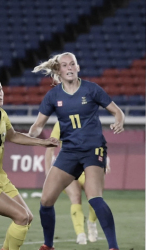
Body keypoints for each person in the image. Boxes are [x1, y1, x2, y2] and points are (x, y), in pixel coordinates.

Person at [29, 52, 125, 250]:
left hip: (93, 149)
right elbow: (38, 125)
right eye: (64, 65)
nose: (70, 67)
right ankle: (48, 245)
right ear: (59, 71)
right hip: (69, 152)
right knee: (46, 201)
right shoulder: (53, 96)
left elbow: (117, 111)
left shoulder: (91, 89)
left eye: (72, 63)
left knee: (94, 197)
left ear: (78, 67)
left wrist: (119, 122)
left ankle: (113, 247)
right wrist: (33, 135)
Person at [0, 76, 58, 250]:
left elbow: (13, 136)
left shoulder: (1, 114)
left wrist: (43, 142)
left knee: (27, 218)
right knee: (21, 217)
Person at [45, 121, 111, 245]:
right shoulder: (61, 123)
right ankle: (80, 233)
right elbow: (50, 147)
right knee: (75, 197)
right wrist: (48, 173)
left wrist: (104, 162)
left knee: (94, 198)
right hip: (69, 165)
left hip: (89, 164)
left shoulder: (89, 118)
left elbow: (100, 142)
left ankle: (91, 222)